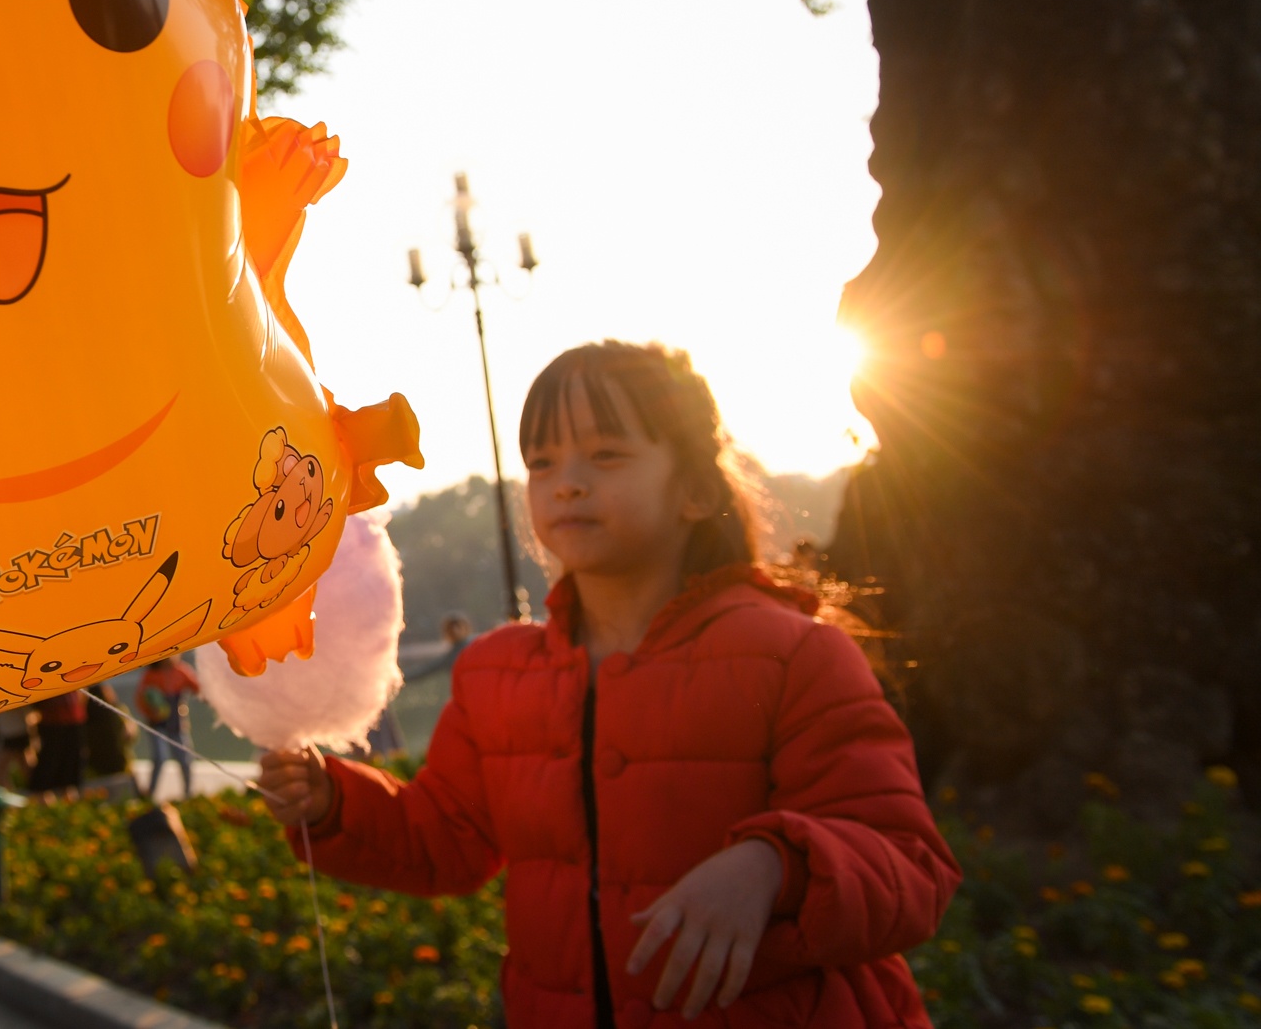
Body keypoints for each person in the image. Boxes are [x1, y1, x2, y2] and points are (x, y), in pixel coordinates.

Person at [260, 342, 959, 1029]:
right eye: (543, 462)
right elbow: (447, 839)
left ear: (694, 490)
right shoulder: (497, 673)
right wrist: (333, 801)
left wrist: (771, 867)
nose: (567, 481)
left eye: (607, 454)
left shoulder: (796, 654)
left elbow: (909, 863)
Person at [134, 656, 199, 798]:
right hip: (157, 726)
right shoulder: (150, 675)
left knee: (185, 760)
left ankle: (188, 795)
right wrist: (151, 712)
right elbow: (140, 699)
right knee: (160, 758)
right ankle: (150, 794)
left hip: (177, 725)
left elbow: (197, 687)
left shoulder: (181, 670)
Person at [26, 691, 86, 794]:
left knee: (71, 767)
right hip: (53, 723)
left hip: (73, 722)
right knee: (49, 764)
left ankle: (69, 800)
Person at [84, 681, 136, 783]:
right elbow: (130, 735)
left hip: (96, 769)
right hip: (118, 766)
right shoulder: (117, 712)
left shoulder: (86, 718)